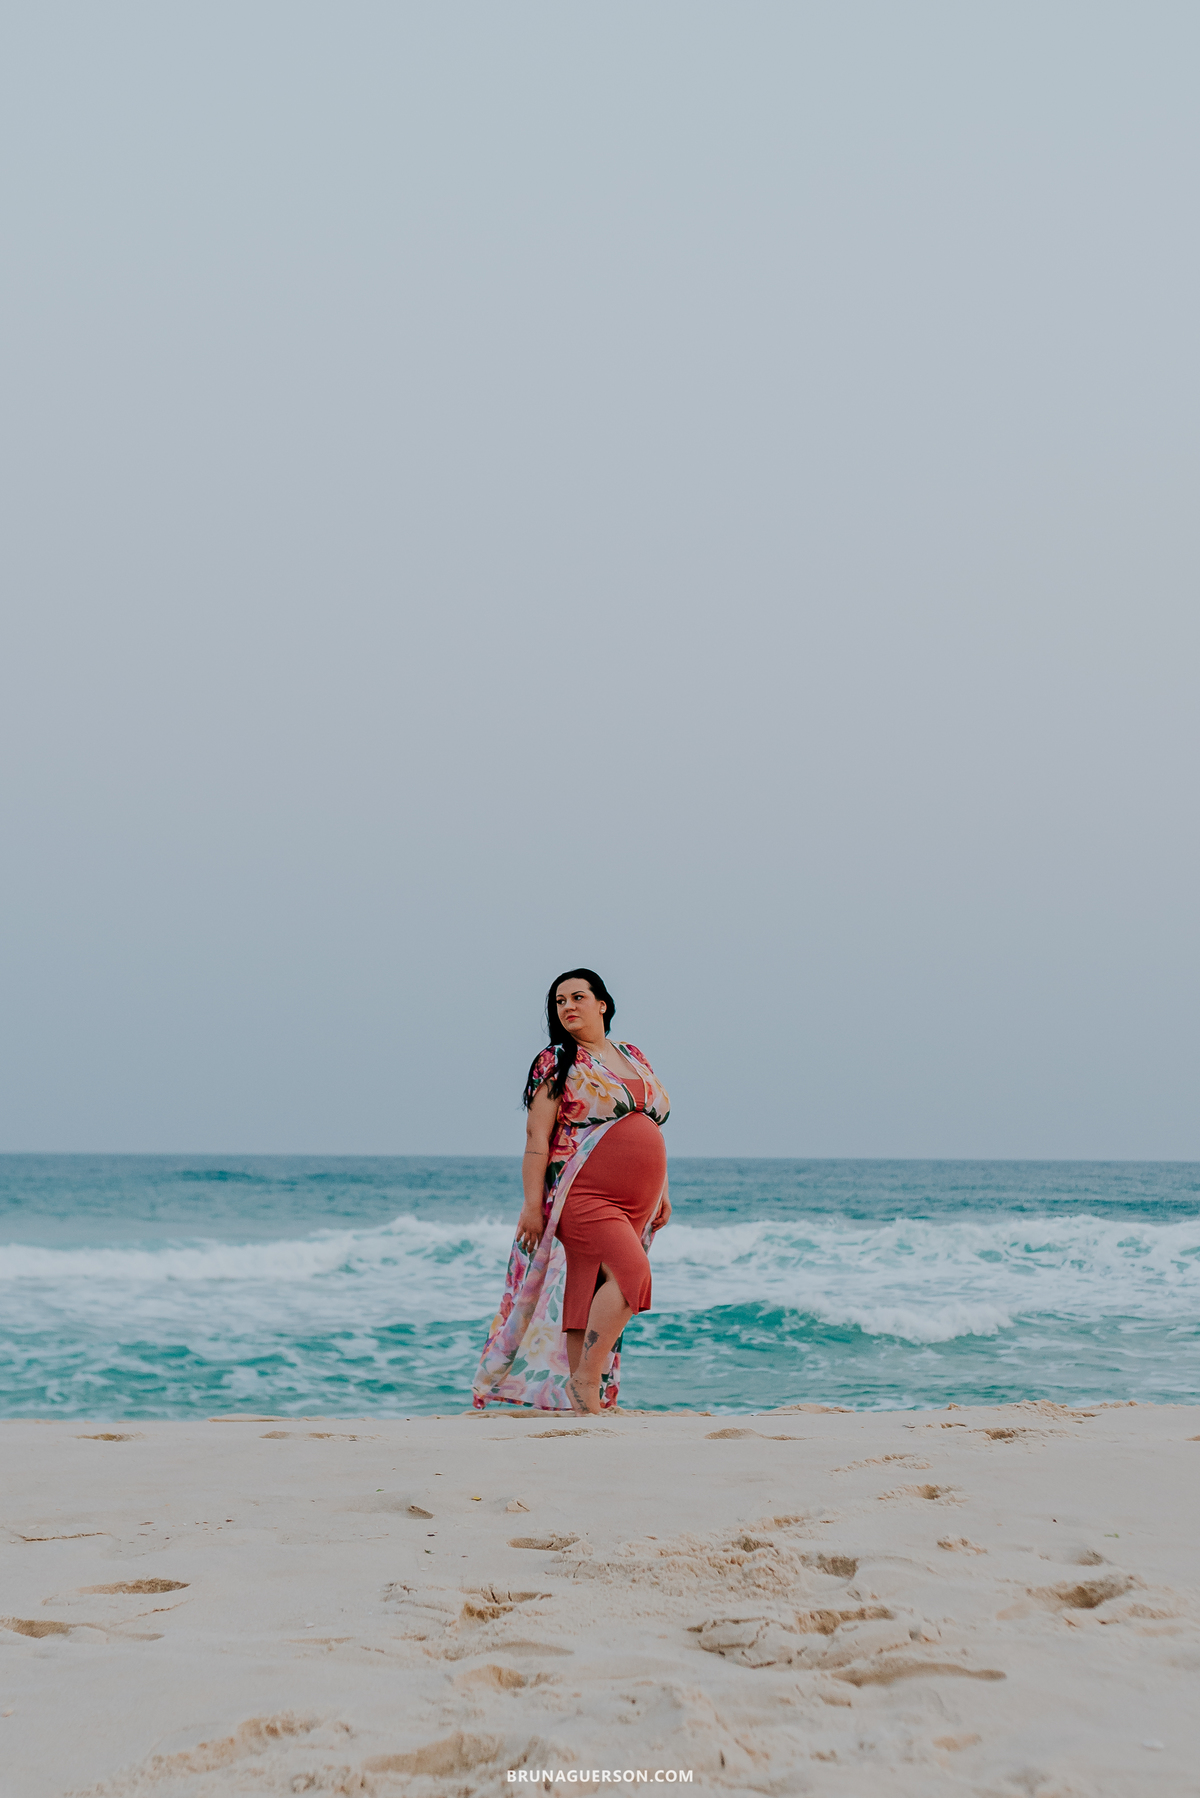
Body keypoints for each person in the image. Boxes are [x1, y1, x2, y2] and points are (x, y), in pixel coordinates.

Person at [472, 968, 670, 1414]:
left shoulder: (633, 1055)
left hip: (637, 1199)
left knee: (587, 1285)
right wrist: (530, 1205)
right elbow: (536, 1137)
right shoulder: (557, 1060)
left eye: (578, 997)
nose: (568, 1007)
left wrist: (663, 1190)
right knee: (632, 1275)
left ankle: (587, 1403)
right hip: (580, 1193)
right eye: (560, 1001)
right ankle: (585, 1378)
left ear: (602, 1003)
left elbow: (649, 1125)